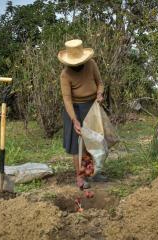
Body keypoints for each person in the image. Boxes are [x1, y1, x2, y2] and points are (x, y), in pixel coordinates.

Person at [58, 39, 107, 189]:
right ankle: (80, 177)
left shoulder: (91, 64)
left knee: (94, 140)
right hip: (73, 109)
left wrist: (99, 94)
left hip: (92, 105)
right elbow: (67, 99)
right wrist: (74, 120)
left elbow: (100, 83)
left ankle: (94, 172)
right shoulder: (65, 75)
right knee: (76, 144)